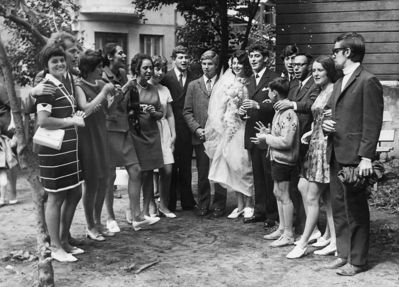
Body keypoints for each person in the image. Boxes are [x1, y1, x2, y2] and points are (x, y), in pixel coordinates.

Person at [322, 32, 383, 276]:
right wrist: (327, 124)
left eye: (335, 51)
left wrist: (366, 157)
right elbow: (331, 113)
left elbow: (372, 122)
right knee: (338, 207)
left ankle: (358, 261)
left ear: (347, 52)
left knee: (355, 210)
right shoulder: (339, 81)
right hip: (336, 152)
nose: (333, 54)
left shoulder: (368, 80)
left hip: (356, 158)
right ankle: (344, 253)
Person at [35, 44, 85, 262]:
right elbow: (43, 120)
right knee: (56, 197)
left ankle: (64, 240)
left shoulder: (63, 83)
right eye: (54, 61)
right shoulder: (46, 87)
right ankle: (55, 247)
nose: (59, 64)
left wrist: (76, 115)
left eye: (61, 60)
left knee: (75, 193)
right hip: (53, 151)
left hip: (69, 150)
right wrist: (70, 121)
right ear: (46, 65)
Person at [286, 55, 339, 259]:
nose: (315, 73)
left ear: (329, 71)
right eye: (314, 70)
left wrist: (321, 131)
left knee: (313, 196)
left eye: (319, 70)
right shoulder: (322, 90)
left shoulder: (334, 90)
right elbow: (320, 117)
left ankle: (304, 242)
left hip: (325, 147)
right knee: (323, 196)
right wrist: (311, 132)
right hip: (315, 144)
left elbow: (334, 119)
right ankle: (332, 239)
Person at [102, 44, 157, 231]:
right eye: (120, 53)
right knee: (109, 176)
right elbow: (109, 104)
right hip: (109, 130)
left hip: (125, 129)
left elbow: (126, 103)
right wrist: (126, 87)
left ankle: (136, 216)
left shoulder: (124, 73)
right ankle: (110, 218)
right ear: (110, 57)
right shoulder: (102, 76)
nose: (124, 55)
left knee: (136, 170)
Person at [274, 53, 319, 237]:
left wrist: (291, 103)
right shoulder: (293, 84)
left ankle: (308, 228)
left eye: (301, 65)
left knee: (304, 188)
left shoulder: (314, 84)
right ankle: (292, 226)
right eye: (294, 65)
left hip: (306, 142)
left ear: (308, 66)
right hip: (293, 143)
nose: (296, 68)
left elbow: (310, 104)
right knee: (293, 187)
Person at [205, 50, 254, 219]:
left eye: (239, 63)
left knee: (244, 166)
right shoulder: (226, 81)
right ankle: (240, 205)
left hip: (244, 127)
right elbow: (219, 107)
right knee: (233, 167)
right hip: (230, 128)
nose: (235, 66)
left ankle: (249, 203)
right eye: (233, 63)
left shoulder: (250, 80)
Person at [252, 77, 299, 247]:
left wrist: (267, 137)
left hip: (284, 160)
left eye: (270, 91)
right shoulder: (279, 110)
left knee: (284, 195)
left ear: (275, 93)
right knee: (277, 192)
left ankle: (289, 233)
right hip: (276, 158)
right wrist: (268, 132)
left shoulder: (287, 113)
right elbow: (280, 135)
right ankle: (282, 228)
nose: (268, 94)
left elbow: (286, 142)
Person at [75, 49, 116, 241]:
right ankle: (90, 225)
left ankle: (98, 222)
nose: (102, 69)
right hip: (87, 137)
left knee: (104, 180)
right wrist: (104, 92)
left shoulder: (101, 83)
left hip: (101, 134)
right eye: (99, 66)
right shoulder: (79, 86)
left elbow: (108, 110)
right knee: (91, 183)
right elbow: (85, 109)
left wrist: (116, 95)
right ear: (88, 68)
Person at [184, 50, 227, 217]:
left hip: (219, 136)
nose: (207, 67)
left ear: (216, 66)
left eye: (210, 64)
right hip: (201, 136)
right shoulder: (193, 85)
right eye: (204, 64)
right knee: (202, 172)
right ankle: (203, 203)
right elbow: (187, 111)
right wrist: (196, 129)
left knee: (220, 170)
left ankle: (219, 205)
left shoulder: (224, 85)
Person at [241, 44, 278, 226]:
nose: (253, 59)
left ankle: (272, 215)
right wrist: (241, 111)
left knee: (268, 174)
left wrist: (258, 106)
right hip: (252, 132)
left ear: (265, 58)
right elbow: (244, 104)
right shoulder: (248, 80)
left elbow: (277, 103)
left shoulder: (274, 77)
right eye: (251, 56)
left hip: (267, 132)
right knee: (257, 175)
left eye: (257, 56)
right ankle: (260, 210)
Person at [130, 53, 163, 224]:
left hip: (152, 135)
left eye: (151, 68)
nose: (149, 71)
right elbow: (123, 110)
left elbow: (160, 113)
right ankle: (133, 212)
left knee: (149, 173)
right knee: (136, 174)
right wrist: (137, 109)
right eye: (145, 68)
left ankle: (145, 212)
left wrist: (153, 112)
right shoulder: (131, 87)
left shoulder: (154, 89)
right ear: (137, 69)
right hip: (136, 135)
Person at [162, 45, 196, 211]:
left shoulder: (194, 77)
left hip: (187, 127)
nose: (184, 60)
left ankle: (187, 200)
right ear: (173, 59)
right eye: (180, 57)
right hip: (170, 126)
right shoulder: (166, 78)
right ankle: (169, 202)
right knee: (171, 164)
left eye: (186, 57)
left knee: (186, 165)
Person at [149, 56, 176, 218]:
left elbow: (170, 114)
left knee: (167, 170)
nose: (159, 73)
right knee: (151, 172)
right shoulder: (144, 88)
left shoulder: (165, 90)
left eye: (162, 69)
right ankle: (151, 205)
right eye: (156, 68)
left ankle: (164, 205)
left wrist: (173, 134)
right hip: (150, 130)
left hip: (164, 130)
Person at [0, 84, 18, 207]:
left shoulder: (0, 87)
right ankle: (3, 195)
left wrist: (13, 125)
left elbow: (12, 105)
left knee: (9, 160)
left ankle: (12, 193)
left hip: (5, 127)